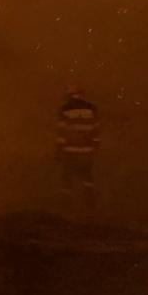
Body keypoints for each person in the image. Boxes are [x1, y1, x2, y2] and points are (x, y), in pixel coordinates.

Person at [55, 84, 101, 214]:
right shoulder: (91, 108)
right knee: (87, 177)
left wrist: (58, 150)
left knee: (67, 178)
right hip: (87, 150)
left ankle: (66, 208)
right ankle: (90, 207)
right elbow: (96, 130)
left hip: (70, 151)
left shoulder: (64, 109)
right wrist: (95, 147)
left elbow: (62, 133)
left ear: (69, 95)